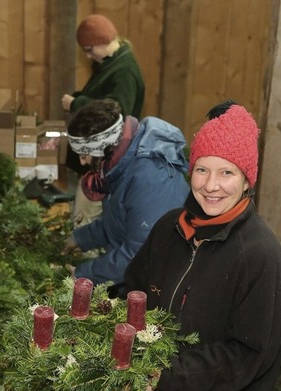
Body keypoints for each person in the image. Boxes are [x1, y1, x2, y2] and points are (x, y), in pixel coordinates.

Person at [119, 101, 281, 391]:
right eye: (202, 170)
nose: (211, 186)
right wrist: (110, 322)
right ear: (189, 170)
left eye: (227, 172)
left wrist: (166, 371)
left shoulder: (260, 256)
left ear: (247, 179)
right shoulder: (169, 229)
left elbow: (248, 356)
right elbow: (134, 290)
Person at [63, 98, 189, 286]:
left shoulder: (150, 176)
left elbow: (140, 254)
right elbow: (120, 221)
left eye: (84, 154)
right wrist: (80, 238)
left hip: (160, 286)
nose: (82, 162)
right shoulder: (121, 164)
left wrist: (85, 274)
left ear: (104, 147)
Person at [62, 14, 146, 226]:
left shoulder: (124, 71)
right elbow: (103, 95)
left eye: (89, 50)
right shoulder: (111, 62)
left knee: (89, 215)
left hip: (105, 156)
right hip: (99, 155)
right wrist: (82, 95)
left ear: (103, 41)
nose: (88, 56)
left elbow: (116, 114)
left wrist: (77, 103)